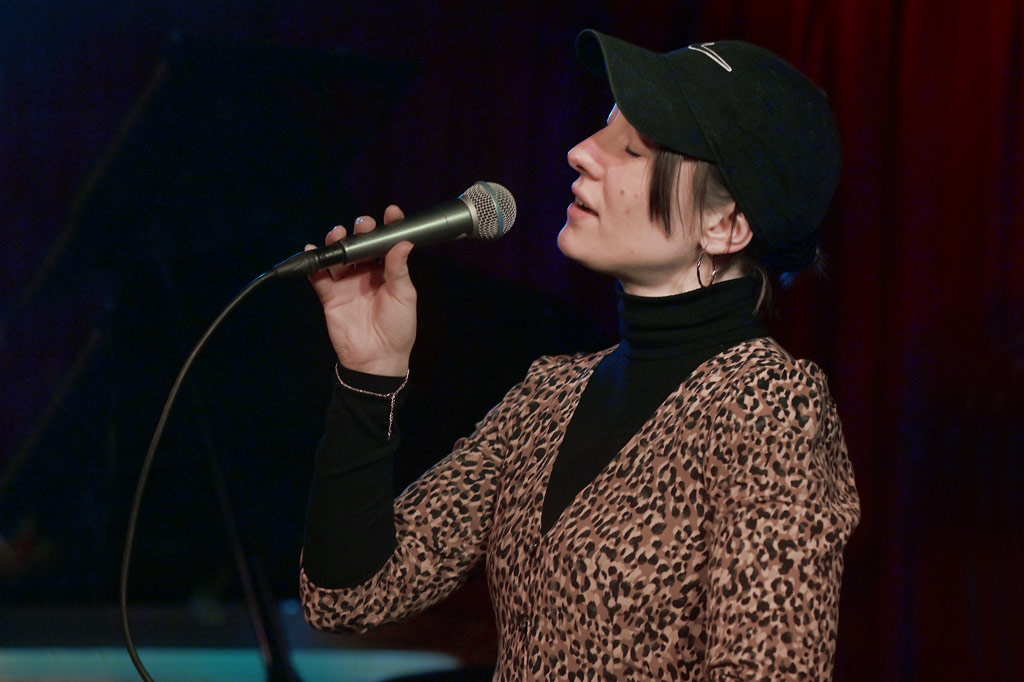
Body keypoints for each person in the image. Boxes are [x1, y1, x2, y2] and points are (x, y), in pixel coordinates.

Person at [299, 29, 860, 681]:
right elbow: (349, 595)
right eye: (604, 126)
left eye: (634, 148)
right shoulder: (550, 394)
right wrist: (370, 376)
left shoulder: (769, 409)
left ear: (726, 225)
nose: (581, 152)